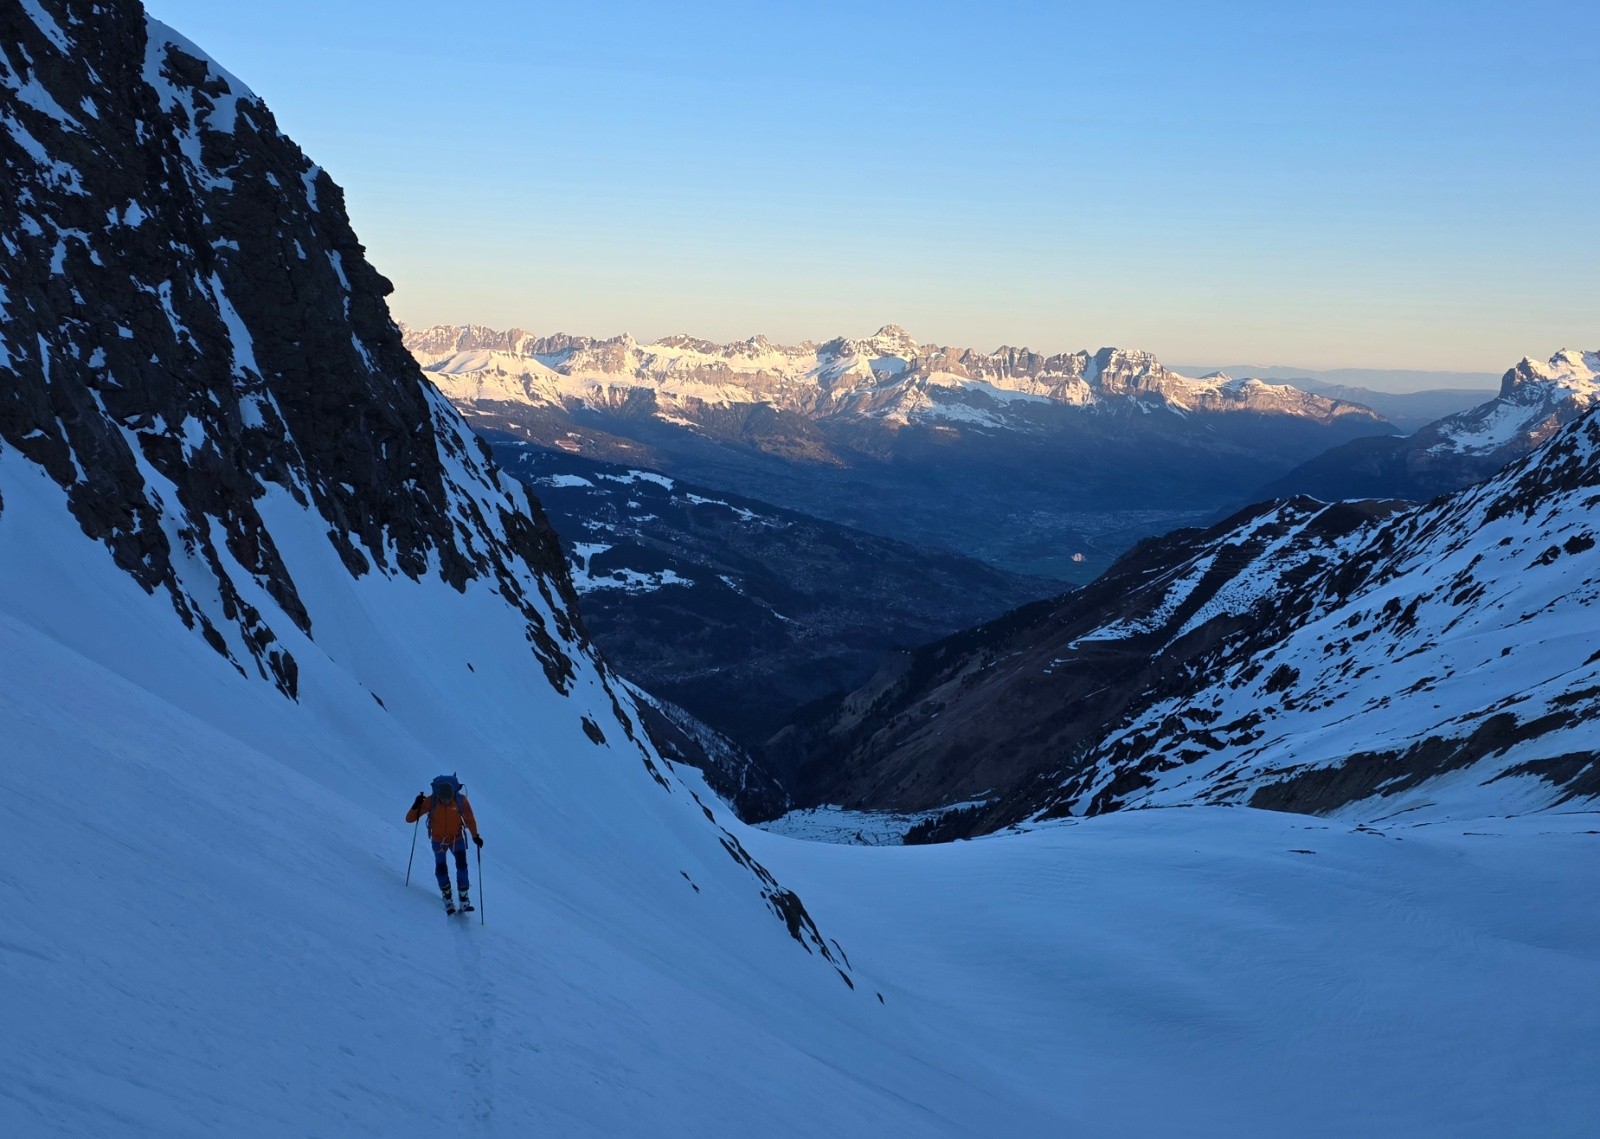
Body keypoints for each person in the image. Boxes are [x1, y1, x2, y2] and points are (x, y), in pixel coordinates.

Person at [407, 774, 483, 914]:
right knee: (441, 868)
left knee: (462, 866)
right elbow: (410, 819)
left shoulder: (461, 800)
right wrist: (415, 805)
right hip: (438, 840)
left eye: (448, 799)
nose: (446, 801)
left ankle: (464, 899)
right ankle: (447, 897)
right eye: (443, 799)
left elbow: (470, 819)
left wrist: (475, 836)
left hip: (456, 838)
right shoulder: (432, 801)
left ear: (453, 794)